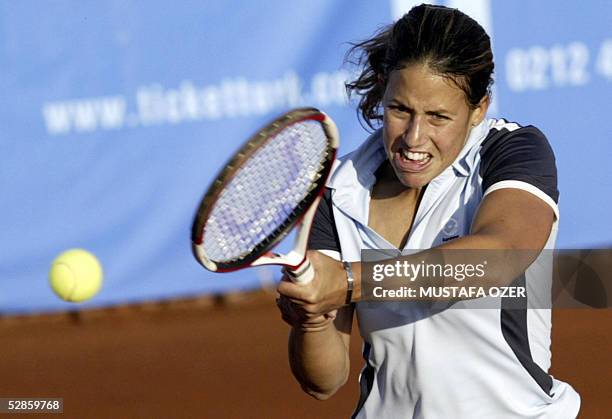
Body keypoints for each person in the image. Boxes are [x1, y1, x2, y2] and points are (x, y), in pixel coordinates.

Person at [276, 4, 580, 418]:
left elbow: (498, 257)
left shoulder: (511, 150)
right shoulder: (335, 190)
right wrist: (311, 319)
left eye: (438, 116)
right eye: (401, 110)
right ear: (383, 91)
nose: (414, 138)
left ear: (479, 109)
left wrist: (349, 281)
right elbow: (323, 382)